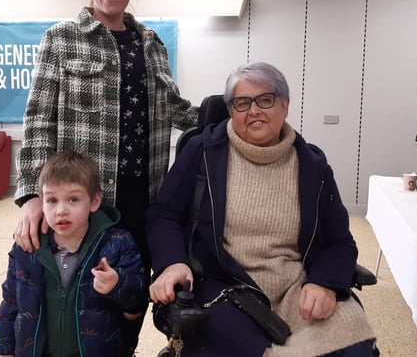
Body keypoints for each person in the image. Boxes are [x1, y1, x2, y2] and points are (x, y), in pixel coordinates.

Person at [13, 0, 197, 355]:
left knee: (128, 298)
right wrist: (30, 196)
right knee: (79, 301)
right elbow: (38, 119)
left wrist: (231, 113)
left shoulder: (151, 44)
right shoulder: (60, 40)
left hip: (141, 200)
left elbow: (174, 108)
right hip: (84, 205)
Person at [147, 61, 377, 356]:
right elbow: (164, 214)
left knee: (353, 346)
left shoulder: (312, 165)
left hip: (299, 283)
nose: (254, 110)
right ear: (231, 110)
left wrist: (326, 283)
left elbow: (338, 240)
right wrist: (173, 262)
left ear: (285, 105)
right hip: (224, 284)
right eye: (242, 103)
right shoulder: (203, 152)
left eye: (265, 99)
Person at [0, 151, 149, 357]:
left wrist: (117, 284)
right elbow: (11, 302)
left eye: (73, 199)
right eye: (52, 200)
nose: (61, 210)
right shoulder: (28, 248)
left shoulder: (116, 244)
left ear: (94, 201)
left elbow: (137, 302)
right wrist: (4, 349)